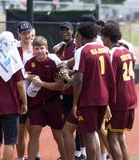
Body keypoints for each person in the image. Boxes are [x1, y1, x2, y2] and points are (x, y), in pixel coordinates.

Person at [62, 22, 116, 160]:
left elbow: (79, 80)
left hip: (89, 98)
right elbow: (109, 77)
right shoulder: (105, 49)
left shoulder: (83, 51)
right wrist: (109, 101)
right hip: (103, 97)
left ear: (80, 35)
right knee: (94, 132)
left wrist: (67, 79)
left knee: (89, 134)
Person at [0, 31, 27, 160]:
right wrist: (25, 103)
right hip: (10, 106)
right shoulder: (13, 59)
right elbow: (20, 85)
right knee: (10, 142)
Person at [25, 35, 67, 160]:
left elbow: (60, 86)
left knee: (58, 136)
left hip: (54, 103)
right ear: (33, 49)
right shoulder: (29, 63)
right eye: (36, 48)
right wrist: (27, 79)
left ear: (46, 48)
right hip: (37, 104)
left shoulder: (54, 62)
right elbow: (25, 83)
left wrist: (41, 83)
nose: (39, 51)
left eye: (41, 48)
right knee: (33, 134)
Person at [100, 23, 137, 160]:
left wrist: (107, 102)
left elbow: (110, 80)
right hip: (131, 97)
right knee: (120, 137)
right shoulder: (126, 51)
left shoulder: (111, 53)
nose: (102, 40)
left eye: (103, 37)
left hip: (119, 100)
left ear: (108, 38)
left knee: (112, 137)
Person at [53, 21, 87, 160]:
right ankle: (71, 153)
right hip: (63, 92)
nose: (64, 32)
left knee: (79, 124)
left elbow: (78, 69)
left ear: (72, 32)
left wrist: (68, 76)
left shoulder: (78, 47)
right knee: (66, 123)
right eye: (62, 30)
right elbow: (57, 67)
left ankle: (81, 152)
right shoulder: (58, 48)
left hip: (76, 91)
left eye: (67, 30)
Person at [15, 21, 39, 160]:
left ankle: (35, 154)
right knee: (20, 130)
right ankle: (20, 157)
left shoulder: (37, 48)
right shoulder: (14, 49)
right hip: (18, 94)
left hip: (34, 94)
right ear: (18, 34)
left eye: (28, 32)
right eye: (23, 33)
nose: (26, 35)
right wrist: (24, 75)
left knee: (34, 129)